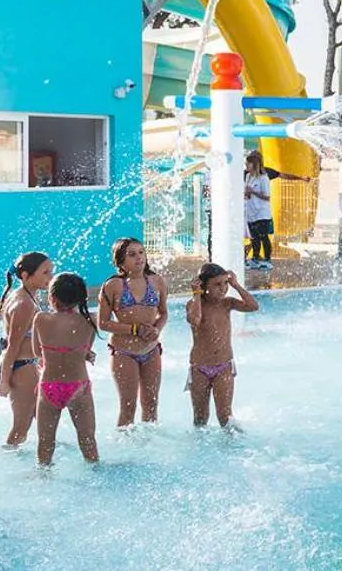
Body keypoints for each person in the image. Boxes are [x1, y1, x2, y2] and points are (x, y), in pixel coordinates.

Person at [97, 237, 167, 427]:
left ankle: (150, 442)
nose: (139, 257)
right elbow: (103, 323)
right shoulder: (113, 285)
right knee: (128, 406)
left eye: (141, 252)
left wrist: (156, 329)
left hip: (151, 350)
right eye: (132, 254)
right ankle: (125, 444)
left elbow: (163, 313)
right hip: (124, 352)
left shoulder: (157, 281)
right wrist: (134, 329)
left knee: (151, 404)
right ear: (120, 261)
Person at [32, 272, 100, 466]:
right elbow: (86, 350)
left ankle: (43, 476)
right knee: (87, 439)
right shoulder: (90, 320)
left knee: (45, 441)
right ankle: (95, 471)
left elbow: (37, 352)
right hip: (79, 386)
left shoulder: (41, 319)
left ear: (52, 298)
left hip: (49, 386)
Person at [185, 263, 259, 428]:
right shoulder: (193, 304)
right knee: (200, 418)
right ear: (204, 285)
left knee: (225, 417)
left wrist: (236, 285)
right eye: (217, 284)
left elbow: (254, 306)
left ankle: (232, 443)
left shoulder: (227, 304)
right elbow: (195, 320)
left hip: (223, 366)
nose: (223, 288)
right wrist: (196, 294)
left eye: (225, 283)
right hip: (199, 368)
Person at [0, 251, 53, 448]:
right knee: (21, 427)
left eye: (51, 271)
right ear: (25, 276)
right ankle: (6, 459)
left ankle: (47, 456)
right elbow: (12, 346)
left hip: (27, 365)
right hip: (20, 368)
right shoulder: (24, 304)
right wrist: (4, 381)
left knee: (44, 418)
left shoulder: (25, 296)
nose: (50, 277)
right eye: (45, 272)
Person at [243, 150, 312, 271]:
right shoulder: (247, 175)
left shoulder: (265, 175)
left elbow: (279, 179)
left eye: (248, 163)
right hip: (251, 212)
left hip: (262, 213)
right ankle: (255, 258)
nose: (246, 165)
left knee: (263, 237)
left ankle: (267, 259)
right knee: (254, 237)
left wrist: (301, 178)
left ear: (255, 163)